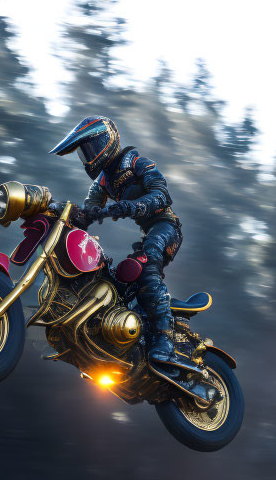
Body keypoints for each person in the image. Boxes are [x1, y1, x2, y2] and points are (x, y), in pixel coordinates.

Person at [48, 115, 184, 366]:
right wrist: (55, 209)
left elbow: (162, 195)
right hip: (146, 230)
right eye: (83, 152)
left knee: (148, 263)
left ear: (107, 141)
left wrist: (130, 206)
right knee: (120, 279)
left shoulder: (135, 162)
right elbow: (86, 212)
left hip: (166, 226)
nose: (88, 156)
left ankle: (165, 340)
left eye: (90, 148)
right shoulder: (101, 182)